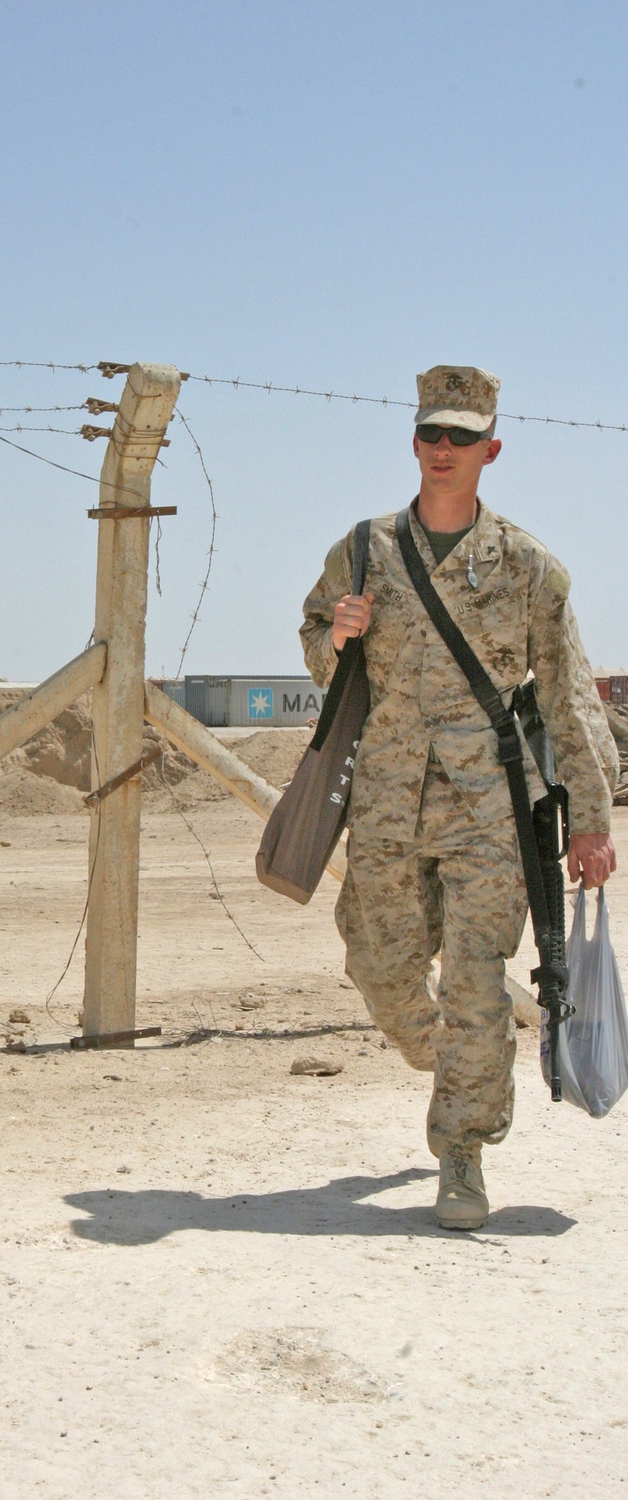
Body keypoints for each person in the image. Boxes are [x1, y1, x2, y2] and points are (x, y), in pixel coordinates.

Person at [300, 365, 619, 1231]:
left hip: (492, 806)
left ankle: (463, 1153)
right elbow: (317, 649)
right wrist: (335, 636)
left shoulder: (526, 567)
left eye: (461, 438)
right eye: (431, 435)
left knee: (479, 982)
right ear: (414, 442)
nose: (444, 450)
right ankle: (444, 1056)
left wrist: (591, 817)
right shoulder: (364, 549)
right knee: (378, 962)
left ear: (491, 449)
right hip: (388, 797)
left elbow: (568, 695)